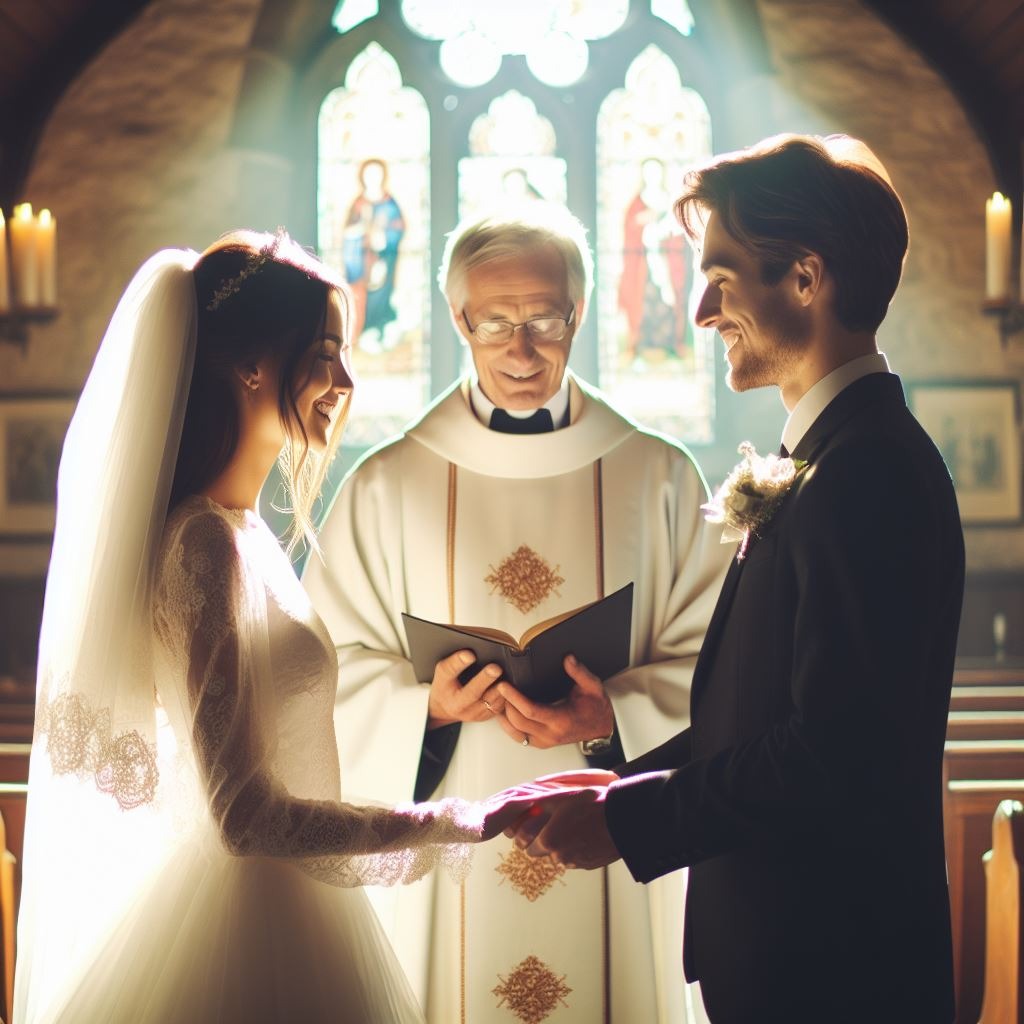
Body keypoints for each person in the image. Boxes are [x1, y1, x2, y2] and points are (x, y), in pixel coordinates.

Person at [502, 135, 964, 1023]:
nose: (704, 310)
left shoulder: (867, 472)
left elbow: (834, 751)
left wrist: (631, 825)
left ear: (805, 279)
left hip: (833, 971)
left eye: (722, 277)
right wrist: (616, 790)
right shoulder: (835, 457)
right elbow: (768, 718)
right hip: (791, 956)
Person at [14, 230, 523, 1024]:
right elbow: (244, 814)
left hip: (292, 911)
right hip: (241, 936)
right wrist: (443, 820)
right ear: (252, 364)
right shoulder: (205, 545)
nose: (344, 381)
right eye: (325, 353)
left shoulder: (244, 534)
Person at [303, 201, 730, 1023]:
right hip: (443, 831)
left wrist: (617, 711)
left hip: (613, 830)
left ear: (581, 311)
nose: (522, 349)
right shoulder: (389, 485)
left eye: (543, 319)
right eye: (496, 323)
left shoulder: (659, 477)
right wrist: (421, 705)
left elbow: (717, 659)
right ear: (458, 318)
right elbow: (325, 667)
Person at [342, 156, 405, 353]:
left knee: (381, 298)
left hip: (382, 261)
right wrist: (361, 232)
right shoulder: (358, 204)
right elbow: (348, 231)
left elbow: (398, 229)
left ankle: (380, 330)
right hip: (360, 264)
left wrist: (383, 238)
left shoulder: (390, 203)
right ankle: (358, 335)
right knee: (360, 299)